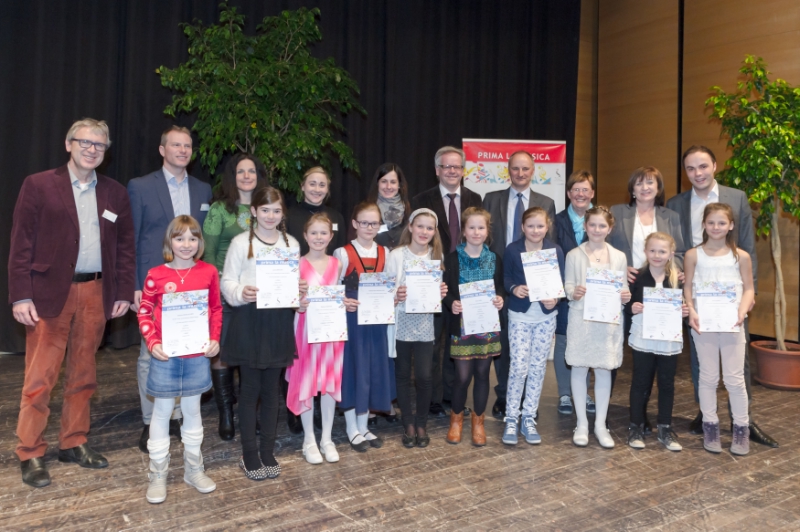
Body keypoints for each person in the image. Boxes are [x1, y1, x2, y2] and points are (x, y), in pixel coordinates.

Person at [9, 118, 135, 488]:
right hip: (49, 294)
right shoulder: (38, 185)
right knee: (40, 377)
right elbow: (20, 243)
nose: (92, 149)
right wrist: (20, 294)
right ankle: (30, 451)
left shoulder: (115, 193)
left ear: (106, 151)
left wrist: (123, 292)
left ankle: (73, 441)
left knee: (84, 374)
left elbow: (125, 248)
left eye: (99, 145)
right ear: (69, 144)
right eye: (85, 142)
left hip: (96, 292)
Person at [667, 145, 777, 447]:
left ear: (714, 166)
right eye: (690, 168)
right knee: (700, 362)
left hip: (732, 300)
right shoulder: (676, 203)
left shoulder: (736, 197)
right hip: (698, 297)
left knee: (738, 365)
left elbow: (747, 247)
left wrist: (749, 294)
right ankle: (707, 417)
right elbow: (676, 249)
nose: (698, 173)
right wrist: (681, 283)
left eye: (703, 166)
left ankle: (744, 421)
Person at [128, 125, 213, 453]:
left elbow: (201, 239)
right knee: (150, 353)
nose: (182, 150)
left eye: (187, 146)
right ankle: (150, 420)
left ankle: (176, 416)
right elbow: (132, 239)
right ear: (162, 150)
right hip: (155, 284)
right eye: (176, 145)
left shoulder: (203, 189)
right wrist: (136, 284)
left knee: (186, 351)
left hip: (192, 287)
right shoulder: (140, 186)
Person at [220, 186, 306, 480]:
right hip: (249, 321)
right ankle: (249, 454)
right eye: (265, 210)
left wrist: (299, 293)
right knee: (249, 391)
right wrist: (240, 292)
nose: (270, 216)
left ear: (283, 214)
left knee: (271, 392)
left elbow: (293, 288)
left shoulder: (291, 244)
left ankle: (267, 451)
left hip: (278, 322)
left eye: (276, 210)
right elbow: (227, 282)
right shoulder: (240, 243)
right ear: (254, 211)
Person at [137, 215, 222, 503]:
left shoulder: (209, 272)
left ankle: (193, 470)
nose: (186, 244)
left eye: (192, 238)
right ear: (169, 242)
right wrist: (152, 342)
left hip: (197, 355)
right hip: (166, 357)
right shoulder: (155, 274)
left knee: (192, 411)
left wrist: (214, 338)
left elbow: (215, 309)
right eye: (180, 238)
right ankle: (158, 474)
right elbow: (144, 312)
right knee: (161, 412)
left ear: (200, 242)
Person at [607, 166, 685, 433]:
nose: (645, 188)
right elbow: (604, 246)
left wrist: (676, 271)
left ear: (658, 187)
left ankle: (645, 416)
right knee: (619, 349)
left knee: (656, 357)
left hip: (661, 291)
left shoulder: (671, 216)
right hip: (627, 287)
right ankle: (609, 411)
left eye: (650, 182)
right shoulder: (617, 212)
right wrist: (621, 268)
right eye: (639, 183)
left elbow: (680, 252)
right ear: (632, 188)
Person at [482, 151, 557, 419]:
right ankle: (505, 396)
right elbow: (485, 238)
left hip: (534, 284)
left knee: (531, 352)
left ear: (533, 170)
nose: (520, 173)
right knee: (503, 340)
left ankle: (527, 400)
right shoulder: (491, 199)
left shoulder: (546, 203)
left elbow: (551, 248)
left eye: (525, 169)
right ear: (508, 170)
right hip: (500, 278)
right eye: (515, 168)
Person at [411, 146, 482, 418]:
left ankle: (454, 399)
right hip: (430, 279)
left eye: (457, 166)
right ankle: (431, 399)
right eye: (446, 166)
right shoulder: (422, 199)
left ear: (463, 170)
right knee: (431, 343)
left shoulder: (475, 198)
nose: (452, 171)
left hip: (464, 279)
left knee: (457, 340)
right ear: (437, 170)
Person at [202, 153, 268, 440]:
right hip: (225, 294)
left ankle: (249, 413)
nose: (246, 176)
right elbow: (207, 252)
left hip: (259, 296)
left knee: (252, 355)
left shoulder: (267, 208)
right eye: (241, 171)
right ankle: (226, 413)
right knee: (223, 353)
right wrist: (222, 288)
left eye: (251, 171)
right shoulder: (220, 209)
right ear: (233, 176)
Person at [684, 203, 755, 455]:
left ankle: (741, 430)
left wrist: (742, 311)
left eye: (722, 222)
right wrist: (691, 310)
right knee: (708, 377)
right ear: (704, 224)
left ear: (731, 225)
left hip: (732, 324)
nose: (716, 227)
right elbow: (688, 287)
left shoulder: (741, 256)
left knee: (735, 379)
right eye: (711, 222)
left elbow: (749, 288)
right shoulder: (693, 255)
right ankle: (710, 427)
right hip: (703, 323)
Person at [564, 206, 631, 449]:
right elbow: (567, 286)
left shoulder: (619, 256)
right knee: (579, 368)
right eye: (592, 224)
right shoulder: (574, 254)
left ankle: (600, 425)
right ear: (585, 226)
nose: (597, 229)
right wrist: (574, 292)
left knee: (604, 370)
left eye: (602, 225)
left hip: (608, 321)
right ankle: (581, 423)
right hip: (581, 320)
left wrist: (625, 295)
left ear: (609, 229)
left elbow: (623, 288)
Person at [334, 202, 395, 452]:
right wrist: (342, 301)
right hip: (352, 321)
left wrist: (394, 297)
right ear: (355, 224)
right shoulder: (343, 253)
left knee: (372, 370)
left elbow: (389, 286)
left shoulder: (385, 252)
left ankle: (364, 426)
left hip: (376, 321)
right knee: (354, 370)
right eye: (364, 222)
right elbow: (333, 289)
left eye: (374, 223)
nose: (369, 227)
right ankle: (351, 428)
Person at [385, 208, 448, 448]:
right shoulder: (397, 255)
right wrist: (396, 294)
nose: (424, 231)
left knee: (424, 376)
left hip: (424, 324)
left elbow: (434, 292)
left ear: (434, 232)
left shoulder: (436, 256)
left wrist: (441, 293)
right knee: (402, 375)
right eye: (420, 226)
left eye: (429, 228)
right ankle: (408, 424)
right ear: (410, 227)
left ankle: (421, 423)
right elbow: (386, 289)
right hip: (401, 322)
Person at [501, 207, 564, 445]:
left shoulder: (555, 250)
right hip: (520, 315)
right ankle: (511, 417)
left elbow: (561, 281)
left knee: (538, 367)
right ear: (522, 227)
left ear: (547, 227)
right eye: (530, 226)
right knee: (518, 366)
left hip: (546, 316)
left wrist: (555, 298)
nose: (535, 230)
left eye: (540, 226)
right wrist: (514, 288)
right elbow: (506, 278)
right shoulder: (513, 249)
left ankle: (528, 417)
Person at [442, 207, 505, 446]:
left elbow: (500, 287)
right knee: (462, 376)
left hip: (487, 325)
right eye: (471, 227)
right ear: (464, 231)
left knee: (482, 374)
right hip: (462, 326)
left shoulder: (495, 258)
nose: (476, 232)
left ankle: (478, 422)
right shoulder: (452, 259)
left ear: (487, 231)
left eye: (481, 227)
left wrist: (500, 299)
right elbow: (445, 290)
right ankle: (456, 420)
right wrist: (452, 303)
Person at [287, 213, 346, 464]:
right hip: (305, 331)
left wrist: (345, 302)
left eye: (324, 233)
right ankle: (309, 440)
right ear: (305, 235)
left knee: (330, 385)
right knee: (307, 384)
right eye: (314, 233)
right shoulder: (296, 264)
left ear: (331, 236)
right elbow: (289, 299)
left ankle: (327, 439)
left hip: (331, 333)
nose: (319, 237)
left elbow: (337, 294)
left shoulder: (337, 264)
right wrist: (297, 305)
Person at [625, 232, 688, 451]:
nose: (657, 255)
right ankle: (635, 426)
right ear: (645, 252)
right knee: (640, 382)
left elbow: (684, 304)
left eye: (662, 251)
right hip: (644, 336)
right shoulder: (637, 277)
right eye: (652, 250)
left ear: (671, 254)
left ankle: (665, 428)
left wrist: (685, 311)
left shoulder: (677, 279)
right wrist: (632, 307)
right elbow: (626, 303)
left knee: (667, 383)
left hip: (668, 338)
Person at [553, 170, 595, 416]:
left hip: (593, 295)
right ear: (569, 193)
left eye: (585, 189)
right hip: (563, 292)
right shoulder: (556, 221)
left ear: (592, 193)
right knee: (563, 342)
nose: (580, 194)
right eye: (576, 189)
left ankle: (583, 392)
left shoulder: (600, 220)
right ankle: (565, 394)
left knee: (586, 341)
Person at [286, 166, 347, 255]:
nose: (317, 189)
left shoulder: (337, 217)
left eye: (322, 185)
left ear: (327, 189)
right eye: (312, 184)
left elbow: (340, 252)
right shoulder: (289, 216)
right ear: (303, 186)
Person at [366, 163, 411, 250]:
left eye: (393, 182)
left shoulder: (409, 211)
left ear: (399, 185)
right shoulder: (364, 210)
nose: (388, 186)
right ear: (377, 183)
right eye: (384, 181)